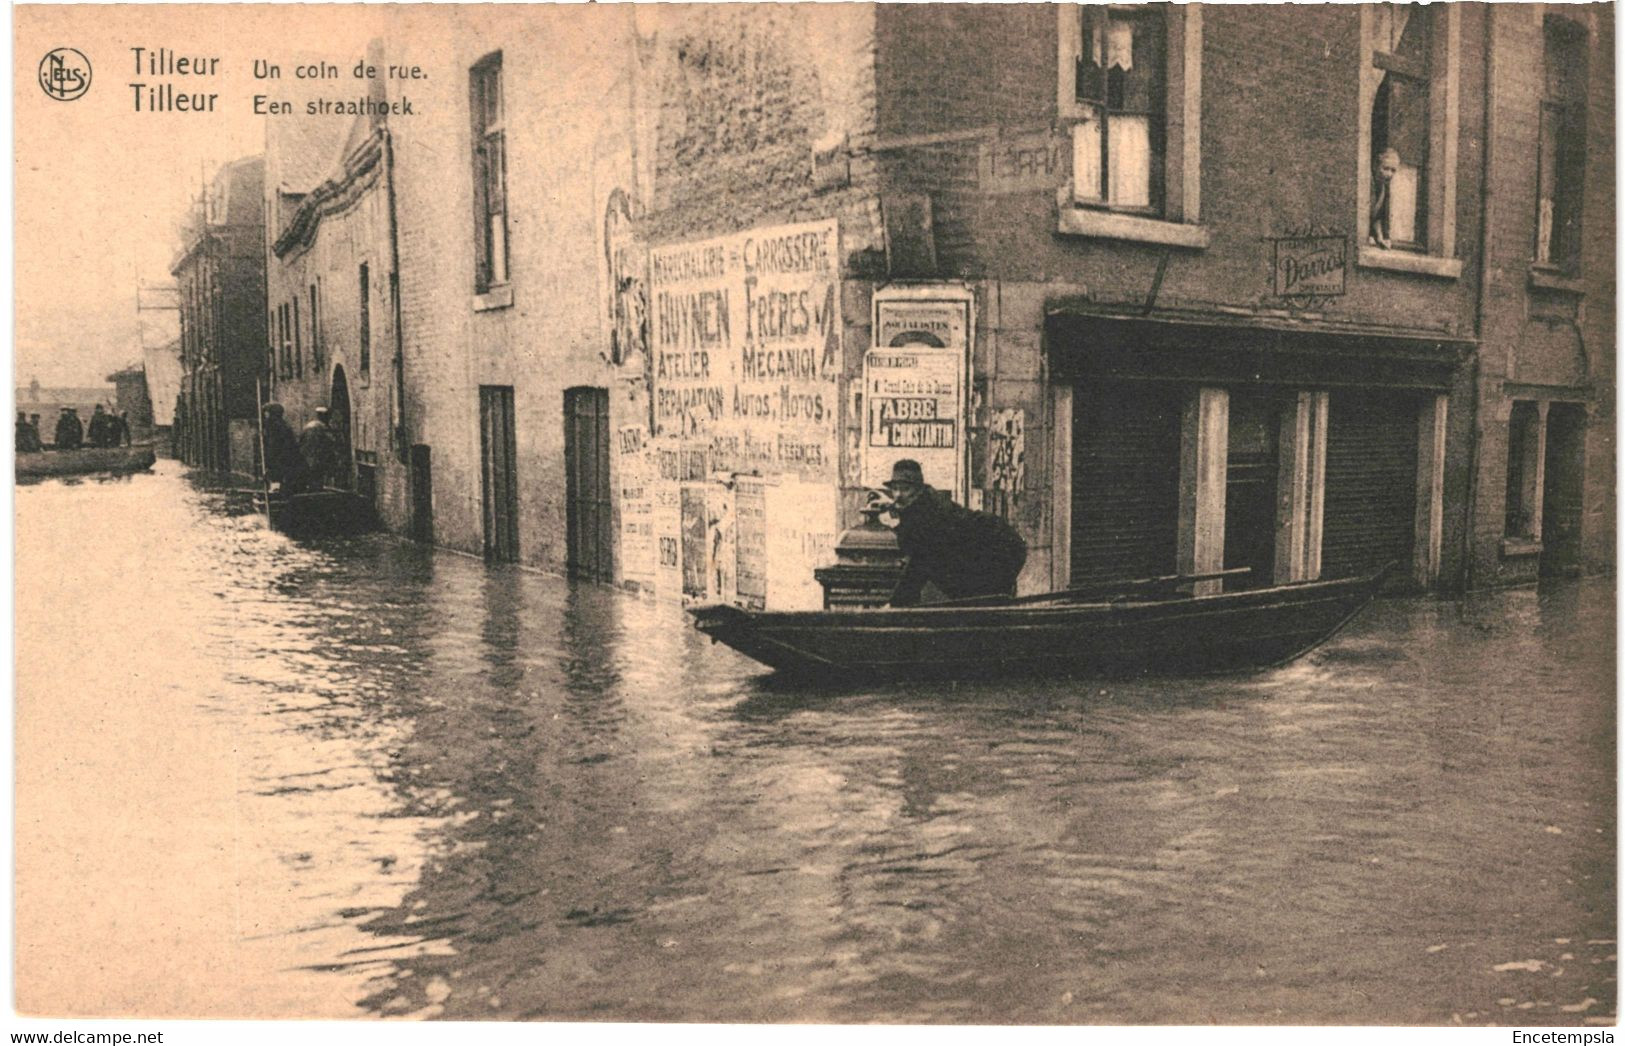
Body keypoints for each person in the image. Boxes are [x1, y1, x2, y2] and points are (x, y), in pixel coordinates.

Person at [881, 459, 1027, 607]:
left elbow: (919, 562)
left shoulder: (930, 512)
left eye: (905, 489)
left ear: (918, 490)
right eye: (895, 489)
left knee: (980, 601)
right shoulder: (918, 506)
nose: (898, 495)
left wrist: (895, 603)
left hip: (1002, 547)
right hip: (982, 552)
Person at [261, 402, 307, 492]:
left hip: (283, 461)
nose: (266, 417)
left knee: (279, 483)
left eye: (268, 414)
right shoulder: (280, 426)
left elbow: (275, 448)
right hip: (283, 461)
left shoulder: (277, 427)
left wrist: (270, 464)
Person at [299, 407, 339, 490]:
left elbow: (300, 441)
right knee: (317, 481)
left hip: (306, 458)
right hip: (318, 459)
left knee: (308, 480)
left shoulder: (308, 426)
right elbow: (330, 443)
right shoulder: (323, 428)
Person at [1369, 146, 1400, 249]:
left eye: (1393, 170)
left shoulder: (1383, 187)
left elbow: (1379, 215)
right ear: (1375, 166)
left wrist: (1383, 237)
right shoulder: (1368, 184)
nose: (1389, 174)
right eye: (1385, 168)